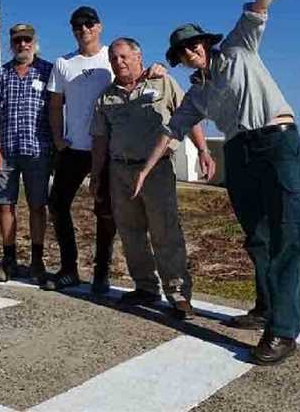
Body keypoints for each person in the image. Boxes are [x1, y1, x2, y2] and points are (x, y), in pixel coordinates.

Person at [134, 0, 300, 365]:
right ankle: (265, 308)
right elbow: (170, 132)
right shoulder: (198, 93)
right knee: (257, 239)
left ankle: (283, 331)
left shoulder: (240, 48)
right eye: (180, 53)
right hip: (239, 154)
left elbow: (261, 4)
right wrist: (145, 170)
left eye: (192, 46)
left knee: (287, 237)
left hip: (278, 145)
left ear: (206, 43)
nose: (188, 54)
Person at [90, 38, 214, 319]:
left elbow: (189, 116)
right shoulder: (105, 96)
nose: (118, 62)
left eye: (123, 56)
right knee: (131, 233)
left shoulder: (163, 83)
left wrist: (203, 150)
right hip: (120, 171)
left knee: (165, 231)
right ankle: (145, 287)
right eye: (112, 58)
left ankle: (179, 294)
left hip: (156, 170)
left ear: (138, 56)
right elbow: (100, 138)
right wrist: (97, 175)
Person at [42, 5, 117, 292]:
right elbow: (55, 104)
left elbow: (135, 75)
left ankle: (102, 273)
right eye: (77, 25)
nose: (83, 29)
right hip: (73, 148)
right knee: (58, 205)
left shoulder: (111, 58)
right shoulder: (63, 63)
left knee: (104, 210)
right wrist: (58, 139)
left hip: (107, 149)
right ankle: (69, 268)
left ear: (99, 27)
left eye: (89, 24)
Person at [0, 24, 52, 283]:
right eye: (18, 40)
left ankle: (37, 260)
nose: (23, 44)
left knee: (37, 205)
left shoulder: (48, 71)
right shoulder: (1, 74)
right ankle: (8, 259)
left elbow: (58, 108)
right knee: (5, 205)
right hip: (6, 151)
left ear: (34, 42)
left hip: (38, 151)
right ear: (11, 43)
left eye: (27, 40)